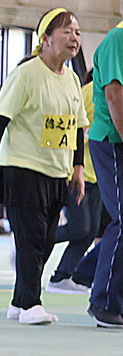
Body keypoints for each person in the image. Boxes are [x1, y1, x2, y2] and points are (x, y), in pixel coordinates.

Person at [0, 8, 88, 325]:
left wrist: (78, 169)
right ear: (46, 38)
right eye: (67, 31)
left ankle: (18, 301)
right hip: (22, 168)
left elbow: (76, 128)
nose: (74, 38)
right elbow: (0, 120)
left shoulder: (71, 79)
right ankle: (30, 303)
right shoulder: (26, 74)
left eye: (78, 33)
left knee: (43, 241)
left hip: (57, 171)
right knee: (30, 240)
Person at [46, 74, 102, 295]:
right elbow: (69, 130)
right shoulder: (87, 93)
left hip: (98, 174)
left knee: (90, 232)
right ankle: (35, 241)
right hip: (76, 172)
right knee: (79, 228)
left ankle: (61, 276)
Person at [86, 17, 123, 327]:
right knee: (122, 219)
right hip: (112, 139)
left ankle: (87, 271)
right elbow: (115, 98)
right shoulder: (116, 40)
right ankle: (103, 302)